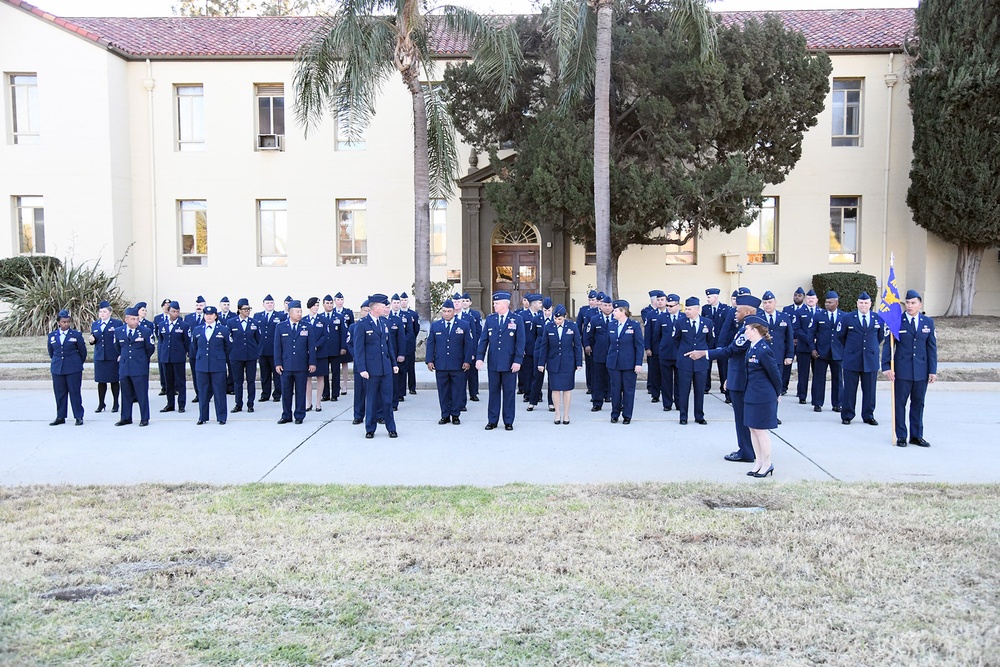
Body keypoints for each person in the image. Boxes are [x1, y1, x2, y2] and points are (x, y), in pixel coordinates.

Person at [688, 294, 761, 462]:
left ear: (748, 311)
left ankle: (747, 452)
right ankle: (749, 449)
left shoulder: (748, 330)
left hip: (742, 379)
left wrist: (704, 353)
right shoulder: (746, 328)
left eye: (738, 310)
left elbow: (730, 351)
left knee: (742, 417)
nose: (735, 312)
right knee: (742, 416)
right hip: (738, 376)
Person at [882, 289, 937, 447]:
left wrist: (932, 370)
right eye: (907, 303)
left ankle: (916, 435)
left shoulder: (928, 322)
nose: (910, 306)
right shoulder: (896, 321)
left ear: (920, 304)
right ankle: (901, 435)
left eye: (913, 303)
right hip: (902, 369)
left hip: (921, 370)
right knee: (900, 403)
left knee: (918, 403)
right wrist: (886, 366)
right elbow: (888, 346)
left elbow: (931, 348)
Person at [476, 290, 525, 431]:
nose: (494, 305)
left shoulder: (516, 319)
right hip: (494, 362)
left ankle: (508, 421)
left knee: (509, 393)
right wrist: (480, 358)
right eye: (494, 303)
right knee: (493, 392)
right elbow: (484, 340)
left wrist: (518, 360)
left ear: (505, 304)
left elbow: (520, 342)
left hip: (510, 363)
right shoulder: (491, 319)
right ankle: (492, 420)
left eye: (496, 303)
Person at [354, 293, 399, 438]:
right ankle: (370, 429)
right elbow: (358, 349)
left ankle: (391, 427)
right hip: (371, 370)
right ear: (375, 307)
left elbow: (388, 346)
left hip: (385, 368)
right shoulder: (362, 325)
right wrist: (362, 368)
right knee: (372, 401)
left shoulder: (384, 323)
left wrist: (393, 363)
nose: (386, 308)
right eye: (383, 306)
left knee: (387, 400)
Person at [742, 315, 782, 477]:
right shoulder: (752, 347)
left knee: (760, 430)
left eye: (747, 329)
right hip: (752, 393)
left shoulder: (764, 350)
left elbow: (775, 374)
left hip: (763, 395)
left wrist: (777, 392)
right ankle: (758, 461)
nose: (745, 332)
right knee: (752, 429)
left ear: (755, 330)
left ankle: (767, 463)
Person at [837, 291, 884, 426]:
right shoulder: (847, 318)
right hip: (852, 358)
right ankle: (847, 415)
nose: (863, 305)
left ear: (870, 304)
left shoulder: (877, 318)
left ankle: (868, 415)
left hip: (870, 359)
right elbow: (841, 336)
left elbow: (880, 336)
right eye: (861, 303)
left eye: (866, 303)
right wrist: (851, 348)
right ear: (857, 304)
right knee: (850, 389)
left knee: (870, 390)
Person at [425, 298, 474, 425]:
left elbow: (468, 344)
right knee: (443, 391)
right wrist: (429, 360)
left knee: (457, 391)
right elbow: (431, 343)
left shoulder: (463, 325)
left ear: (454, 312)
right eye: (444, 311)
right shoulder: (436, 325)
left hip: (458, 364)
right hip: (441, 364)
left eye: (449, 311)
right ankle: (445, 414)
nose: (446, 313)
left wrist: (467, 360)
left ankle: (455, 415)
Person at [536, 304, 583, 424]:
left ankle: (566, 414)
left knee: (567, 389)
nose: (557, 321)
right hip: (553, 362)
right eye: (555, 319)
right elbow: (544, 346)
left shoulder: (572, 327)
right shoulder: (548, 327)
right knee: (555, 389)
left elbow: (577, 345)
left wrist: (579, 362)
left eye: (560, 319)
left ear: (565, 317)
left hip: (568, 362)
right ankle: (557, 414)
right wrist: (541, 363)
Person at [274, 300, 317, 425]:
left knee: (300, 392)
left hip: (301, 365)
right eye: (297, 312)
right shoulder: (281, 327)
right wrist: (278, 363)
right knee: (286, 392)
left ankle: (299, 415)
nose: (299, 314)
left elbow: (311, 346)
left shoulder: (307, 326)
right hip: (286, 365)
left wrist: (312, 362)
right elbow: (277, 347)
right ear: (290, 313)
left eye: (300, 311)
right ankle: (286, 415)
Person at [673, 296, 714, 425]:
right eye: (686, 309)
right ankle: (683, 416)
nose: (687, 312)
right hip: (685, 362)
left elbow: (710, 340)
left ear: (697, 309)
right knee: (684, 390)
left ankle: (699, 416)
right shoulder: (680, 322)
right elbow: (675, 340)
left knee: (700, 390)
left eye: (690, 309)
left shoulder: (707, 323)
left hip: (701, 363)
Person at [114, 306, 154, 427]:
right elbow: (117, 347)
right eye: (132, 319)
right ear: (126, 320)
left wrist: (141, 359)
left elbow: (150, 349)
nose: (136, 321)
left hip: (139, 367)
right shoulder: (119, 331)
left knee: (141, 394)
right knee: (126, 393)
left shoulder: (145, 331)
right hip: (125, 367)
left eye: (137, 319)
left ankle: (144, 418)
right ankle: (126, 417)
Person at [190, 306, 231, 425]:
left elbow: (228, 347)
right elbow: (194, 347)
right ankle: (202, 417)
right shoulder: (197, 330)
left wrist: (219, 357)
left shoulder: (223, 330)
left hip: (217, 365)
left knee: (219, 392)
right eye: (206, 314)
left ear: (215, 316)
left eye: (211, 314)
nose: (208, 316)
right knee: (202, 392)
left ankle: (221, 416)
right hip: (202, 365)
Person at [606, 299, 644, 424]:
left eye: (616, 310)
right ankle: (615, 413)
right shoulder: (611, 325)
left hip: (629, 363)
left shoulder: (634, 325)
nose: (613, 312)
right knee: (615, 389)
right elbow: (609, 344)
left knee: (628, 389)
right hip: (614, 363)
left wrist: (638, 363)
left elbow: (639, 346)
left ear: (623, 311)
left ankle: (627, 415)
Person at [759, 291, 795, 423]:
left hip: (778, 357)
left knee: (776, 387)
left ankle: (773, 415)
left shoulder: (784, 317)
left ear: (775, 303)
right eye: (765, 302)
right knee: (762, 386)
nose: (767, 305)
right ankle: (762, 415)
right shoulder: (758, 317)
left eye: (769, 302)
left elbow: (789, 338)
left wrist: (790, 355)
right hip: (762, 357)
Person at [48, 310, 87, 426]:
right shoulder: (52, 336)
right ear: (58, 322)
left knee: (75, 393)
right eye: (63, 322)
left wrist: (77, 363)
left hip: (73, 368)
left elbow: (83, 352)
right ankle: (60, 416)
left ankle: (78, 416)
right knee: (59, 393)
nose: (66, 324)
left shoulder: (76, 335)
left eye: (68, 322)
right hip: (58, 368)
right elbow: (51, 352)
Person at [811, 290, 844, 413]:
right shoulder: (819, 316)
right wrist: (812, 348)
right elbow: (811, 333)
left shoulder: (843, 316)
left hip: (837, 352)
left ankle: (837, 404)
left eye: (830, 302)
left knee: (838, 379)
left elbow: (847, 335)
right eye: (826, 302)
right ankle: (817, 403)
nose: (827, 304)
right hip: (821, 352)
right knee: (819, 378)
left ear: (836, 303)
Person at [89, 300, 122, 413]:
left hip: (112, 356)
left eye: (104, 311)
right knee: (101, 381)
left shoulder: (117, 324)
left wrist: (120, 354)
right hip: (100, 356)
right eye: (100, 312)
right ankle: (101, 403)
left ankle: (116, 403)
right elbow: (94, 338)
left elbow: (120, 339)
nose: (102, 314)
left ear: (110, 313)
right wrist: (91, 341)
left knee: (114, 381)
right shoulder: (95, 324)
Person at [228, 298, 260, 414]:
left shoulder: (254, 323)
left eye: (249, 309)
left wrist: (255, 351)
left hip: (250, 356)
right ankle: (238, 404)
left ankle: (250, 404)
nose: (247, 311)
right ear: (239, 310)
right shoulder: (231, 322)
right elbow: (228, 339)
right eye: (245, 309)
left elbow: (258, 339)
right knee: (238, 381)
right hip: (236, 356)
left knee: (251, 381)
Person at [157, 301, 189, 413]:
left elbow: (187, 342)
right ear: (168, 311)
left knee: (180, 382)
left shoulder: (184, 326)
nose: (175, 313)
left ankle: (181, 404)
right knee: (168, 382)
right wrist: (161, 355)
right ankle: (170, 404)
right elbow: (161, 341)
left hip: (178, 357)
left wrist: (184, 352)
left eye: (177, 311)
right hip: (166, 357)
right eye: (173, 311)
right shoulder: (162, 325)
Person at [254, 294, 286, 403]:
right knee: (265, 374)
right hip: (262, 349)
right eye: (267, 303)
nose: (269, 305)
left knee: (277, 373)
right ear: (263, 304)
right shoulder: (257, 316)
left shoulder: (280, 316)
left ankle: (277, 394)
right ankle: (265, 394)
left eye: (271, 303)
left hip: (275, 350)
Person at [585, 294, 614, 412]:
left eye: (609, 305)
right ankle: (597, 402)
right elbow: (588, 335)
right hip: (599, 353)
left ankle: (609, 395)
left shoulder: (616, 319)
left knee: (612, 377)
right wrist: (588, 345)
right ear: (600, 306)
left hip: (613, 354)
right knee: (598, 378)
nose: (607, 308)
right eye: (605, 305)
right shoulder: (595, 319)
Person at [654, 294, 682, 412]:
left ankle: (680, 403)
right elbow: (657, 335)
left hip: (680, 354)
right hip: (665, 353)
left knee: (680, 381)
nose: (669, 308)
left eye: (671, 306)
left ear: (678, 306)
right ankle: (667, 403)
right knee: (666, 380)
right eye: (667, 306)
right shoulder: (662, 318)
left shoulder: (684, 317)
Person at [303, 297, 329, 412]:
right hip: (307, 354)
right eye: (314, 305)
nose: (316, 307)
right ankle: (308, 403)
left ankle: (318, 403)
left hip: (320, 353)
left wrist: (315, 346)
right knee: (308, 379)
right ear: (309, 306)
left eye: (317, 305)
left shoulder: (323, 320)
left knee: (320, 378)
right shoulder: (304, 320)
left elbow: (325, 335)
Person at [320, 294, 347, 401]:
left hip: (335, 350)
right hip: (323, 350)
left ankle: (335, 394)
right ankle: (325, 394)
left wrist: (343, 347)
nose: (329, 305)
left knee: (335, 372)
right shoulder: (320, 317)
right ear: (323, 304)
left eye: (331, 303)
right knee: (324, 373)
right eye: (327, 303)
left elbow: (343, 334)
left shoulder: (339, 317)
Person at [794, 289, 819, 404]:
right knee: (803, 373)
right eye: (808, 298)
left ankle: (816, 397)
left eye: (812, 299)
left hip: (817, 348)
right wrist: (809, 339)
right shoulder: (799, 312)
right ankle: (802, 395)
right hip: (803, 347)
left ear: (816, 300)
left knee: (817, 374)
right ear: (805, 299)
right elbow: (797, 329)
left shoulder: (821, 312)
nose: (810, 300)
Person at [349, 299, 371, 425]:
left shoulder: (376, 325)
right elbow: (350, 343)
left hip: (372, 363)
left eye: (369, 310)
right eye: (365, 310)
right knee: (359, 391)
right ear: (361, 311)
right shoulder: (354, 326)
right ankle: (358, 415)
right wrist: (357, 356)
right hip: (359, 364)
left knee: (374, 391)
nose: (367, 313)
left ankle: (377, 414)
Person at [459, 292, 483, 403]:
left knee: (473, 372)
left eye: (467, 301)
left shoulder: (475, 314)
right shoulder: (457, 314)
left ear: (470, 303)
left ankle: (473, 393)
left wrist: (474, 345)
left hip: (472, 344)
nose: (464, 303)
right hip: (460, 347)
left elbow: (478, 331)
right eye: (463, 301)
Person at [780, 287, 805, 394]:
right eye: (795, 295)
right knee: (786, 365)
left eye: (799, 295)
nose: (797, 297)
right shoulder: (787, 309)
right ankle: (783, 387)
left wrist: (799, 339)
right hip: (789, 342)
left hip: (802, 342)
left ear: (803, 297)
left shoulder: (806, 310)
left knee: (802, 368)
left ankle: (801, 391)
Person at [644, 290, 667, 403]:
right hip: (655, 348)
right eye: (658, 300)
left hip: (667, 349)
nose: (660, 302)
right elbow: (648, 332)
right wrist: (647, 347)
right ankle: (655, 394)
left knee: (666, 373)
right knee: (654, 372)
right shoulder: (651, 314)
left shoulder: (669, 313)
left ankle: (666, 393)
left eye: (662, 300)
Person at [184, 296, 207, 403]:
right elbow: (186, 336)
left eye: (201, 305)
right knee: (195, 374)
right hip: (193, 351)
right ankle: (198, 394)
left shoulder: (208, 317)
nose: (199, 307)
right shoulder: (188, 318)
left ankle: (207, 393)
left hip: (206, 351)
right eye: (197, 305)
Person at [577, 290, 599, 395]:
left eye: (593, 300)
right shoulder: (584, 310)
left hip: (598, 342)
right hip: (587, 342)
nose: (591, 302)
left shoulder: (602, 311)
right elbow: (580, 326)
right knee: (589, 365)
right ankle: (590, 386)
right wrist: (583, 341)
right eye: (590, 300)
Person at [333, 292, 355, 396]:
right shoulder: (332, 312)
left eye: (341, 300)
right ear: (335, 301)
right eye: (338, 300)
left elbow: (352, 326)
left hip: (345, 340)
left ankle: (345, 385)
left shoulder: (348, 312)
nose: (340, 302)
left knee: (345, 363)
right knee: (335, 365)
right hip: (335, 341)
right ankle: (336, 385)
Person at [399, 292, 420, 395]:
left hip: (410, 344)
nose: (403, 302)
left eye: (405, 300)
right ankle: (401, 389)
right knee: (401, 368)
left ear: (408, 301)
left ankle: (412, 387)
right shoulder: (396, 314)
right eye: (401, 300)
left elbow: (416, 329)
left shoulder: (413, 314)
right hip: (399, 346)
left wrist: (409, 340)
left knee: (410, 367)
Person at [154, 298, 171, 396]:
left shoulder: (175, 318)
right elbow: (157, 332)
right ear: (162, 306)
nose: (167, 306)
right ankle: (164, 387)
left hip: (172, 346)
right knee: (162, 367)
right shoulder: (157, 318)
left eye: (169, 304)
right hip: (162, 345)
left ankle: (174, 387)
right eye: (165, 304)